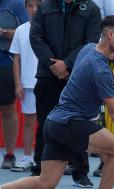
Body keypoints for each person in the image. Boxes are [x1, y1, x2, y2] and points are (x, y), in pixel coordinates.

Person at [0, 15, 114, 189]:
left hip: (54, 123)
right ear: (110, 35)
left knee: (44, 183)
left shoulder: (88, 49)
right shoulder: (101, 70)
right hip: (71, 123)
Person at [29, 0, 101, 187]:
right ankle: (39, 169)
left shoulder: (91, 9)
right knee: (45, 123)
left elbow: (92, 42)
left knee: (79, 125)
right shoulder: (45, 7)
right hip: (47, 73)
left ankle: (80, 172)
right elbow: (36, 37)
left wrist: (67, 63)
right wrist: (53, 64)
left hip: (78, 76)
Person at [8, 0, 41, 172]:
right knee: (29, 121)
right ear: (25, 7)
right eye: (30, 6)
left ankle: (48, 159)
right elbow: (17, 59)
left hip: (46, 83)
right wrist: (17, 83)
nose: (34, 9)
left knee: (48, 123)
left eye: (37, 5)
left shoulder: (50, 28)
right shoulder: (21, 30)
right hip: (27, 83)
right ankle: (28, 157)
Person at [91, 0, 114, 178]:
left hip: (100, 55)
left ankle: (105, 159)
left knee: (99, 109)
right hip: (74, 56)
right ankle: (71, 159)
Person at [0, 0, 29, 169]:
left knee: (8, 109)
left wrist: (2, 32)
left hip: (5, 64)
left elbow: (25, 33)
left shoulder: (17, 4)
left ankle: (9, 155)